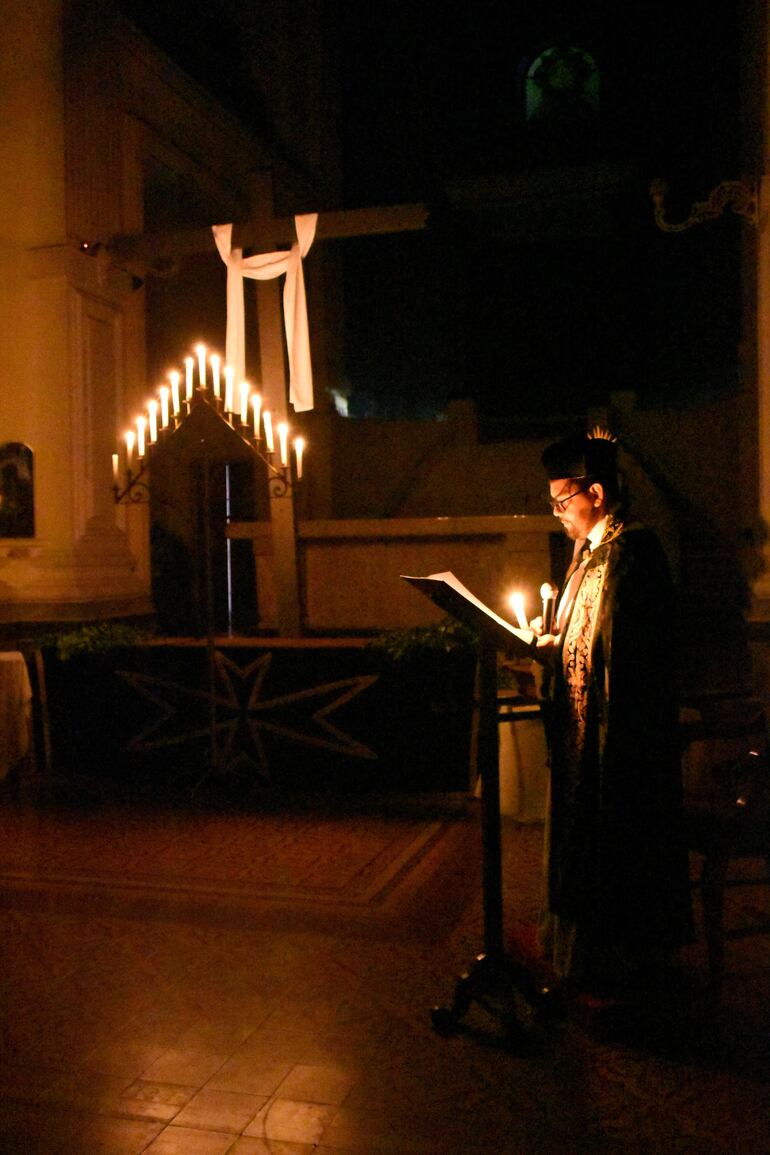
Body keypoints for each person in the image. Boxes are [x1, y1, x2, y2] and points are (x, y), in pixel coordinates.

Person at [531, 428, 692, 1006]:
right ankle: (585, 954)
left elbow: (635, 653)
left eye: (562, 501)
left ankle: (626, 965)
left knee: (619, 842)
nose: (557, 514)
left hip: (621, 737)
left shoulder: (633, 550)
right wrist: (549, 646)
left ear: (595, 492)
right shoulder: (586, 555)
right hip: (582, 728)